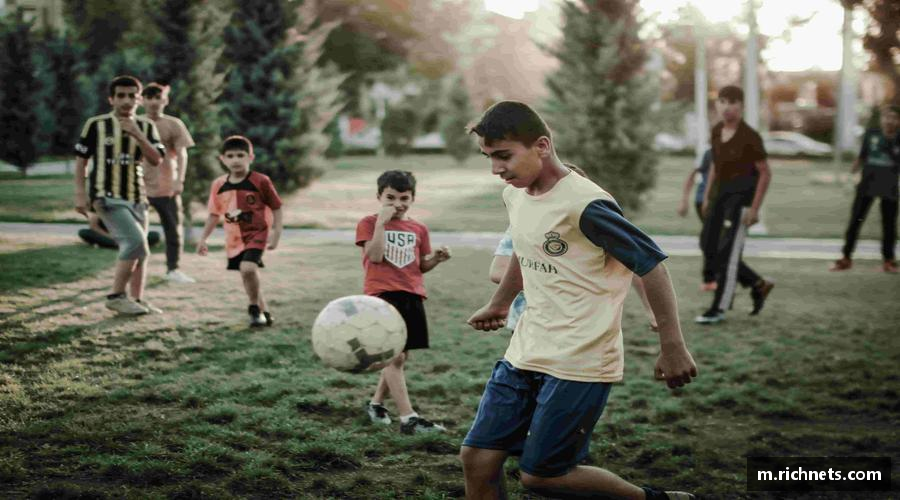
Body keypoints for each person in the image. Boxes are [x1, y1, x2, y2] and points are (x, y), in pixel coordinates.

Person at [462, 101, 698, 500]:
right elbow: (524, 249)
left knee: (543, 476)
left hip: (580, 359)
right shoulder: (516, 196)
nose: (496, 169)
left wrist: (672, 346)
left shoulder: (585, 204)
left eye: (504, 156)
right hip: (526, 349)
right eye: (489, 158)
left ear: (541, 146)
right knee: (477, 458)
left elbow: (652, 266)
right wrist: (500, 303)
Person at [491, 164, 658, 333]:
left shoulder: (591, 226)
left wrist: (652, 310)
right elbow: (497, 272)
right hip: (527, 321)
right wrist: (559, 280)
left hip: (581, 322)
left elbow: (635, 263)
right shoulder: (523, 225)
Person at [356, 170, 452, 434]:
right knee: (394, 356)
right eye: (390, 197)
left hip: (412, 294)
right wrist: (381, 224)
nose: (397, 204)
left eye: (404, 198)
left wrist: (436, 259)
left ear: (412, 198)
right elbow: (375, 257)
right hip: (382, 294)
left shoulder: (419, 228)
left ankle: (376, 404)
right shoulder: (368, 223)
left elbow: (420, 266)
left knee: (400, 357)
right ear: (379, 196)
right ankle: (409, 419)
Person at [74, 75, 165, 315]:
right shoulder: (96, 124)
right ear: (111, 99)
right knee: (135, 243)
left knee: (141, 252)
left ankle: (137, 299)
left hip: (137, 197)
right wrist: (80, 194)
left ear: (139, 99)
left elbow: (156, 159)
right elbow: (81, 161)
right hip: (106, 195)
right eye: (120, 96)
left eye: (132, 96)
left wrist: (137, 134)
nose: (126, 101)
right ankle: (116, 296)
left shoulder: (146, 126)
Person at [695, 86, 775, 324]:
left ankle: (718, 309)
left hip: (741, 204)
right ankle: (758, 283)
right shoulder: (717, 130)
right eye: (722, 101)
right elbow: (715, 165)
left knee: (728, 255)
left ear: (741, 106)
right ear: (717, 104)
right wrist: (706, 196)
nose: (726, 107)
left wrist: (755, 209)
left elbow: (765, 173)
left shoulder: (750, 137)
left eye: (732, 102)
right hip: (718, 199)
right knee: (707, 245)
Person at [196, 136, 283, 327]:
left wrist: (276, 233)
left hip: (257, 234)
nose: (235, 160)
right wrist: (203, 238)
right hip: (234, 238)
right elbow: (214, 214)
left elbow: (277, 207)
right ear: (222, 159)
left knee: (248, 268)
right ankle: (265, 312)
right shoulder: (218, 184)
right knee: (248, 274)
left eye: (240, 155)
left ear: (250, 157)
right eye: (230, 156)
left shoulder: (261, 181)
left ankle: (253, 308)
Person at [831, 104, 900, 273]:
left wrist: (890, 145)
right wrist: (850, 177)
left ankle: (889, 260)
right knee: (855, 221)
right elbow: (861, 157)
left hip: (889, 187)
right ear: (881, 119)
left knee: (889, 225)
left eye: (894, 118)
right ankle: (846, 258)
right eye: (886, 117)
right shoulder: (871, 134)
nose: (889, 121)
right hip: (867, 185)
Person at [140, 83, 197, 283]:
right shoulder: (135, 124)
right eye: (149, 97)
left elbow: (182, 154)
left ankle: (173, 269)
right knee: (136, 231)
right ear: (142, 100)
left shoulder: (174, 124)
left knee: (172, 229)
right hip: (139, 187)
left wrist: (179, 180)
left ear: (165, 100)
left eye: (158, 97)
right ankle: (133, 270)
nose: (153, 102)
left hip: (167, 186)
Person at [677, 148, 716, 289]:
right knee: (710, 239)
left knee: (711, 239)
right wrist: (684, 200)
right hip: (702, 202)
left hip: (718, 202)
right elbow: (693, 174)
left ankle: (711, 279)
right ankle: (711, 279)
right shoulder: (708, 153)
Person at [78, 212, 160, 249]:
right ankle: (126, 246)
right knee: (84, 233)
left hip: (129, 237)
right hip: (107, 236)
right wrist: (111, 237)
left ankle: (121, 245)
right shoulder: (99, 205)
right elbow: (94, 227)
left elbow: (142, 226)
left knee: (154, 235)